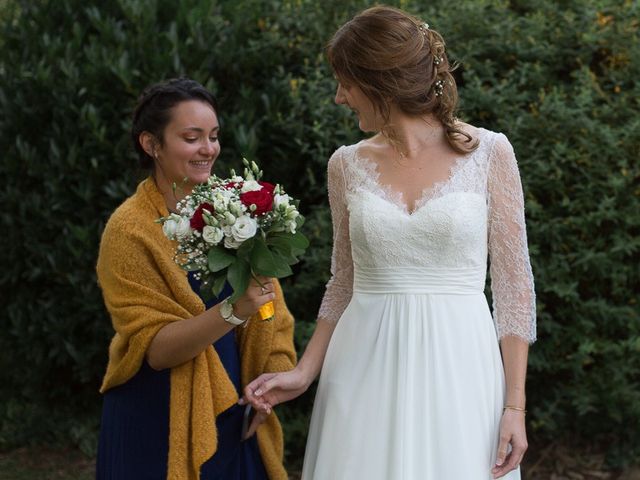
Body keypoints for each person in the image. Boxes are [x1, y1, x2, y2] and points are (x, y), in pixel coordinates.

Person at [244, 6, 536, 480]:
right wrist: (304, 371)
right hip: (361, 368)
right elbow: (343, 281)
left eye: (346, 82)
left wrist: (515, 406)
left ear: (381, 82)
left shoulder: (490, 153)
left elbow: (513, 286)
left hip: (461, 368)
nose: (339, 97)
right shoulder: (345, 164)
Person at [95, 78, 296, 480]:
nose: (209, 149)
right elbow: (156, 350)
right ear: (151, 144)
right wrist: (234, 311)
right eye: (192, 137)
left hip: (235, 416)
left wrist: (267, 385)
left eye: (214, 136)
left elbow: (270, 312)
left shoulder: (232, 210)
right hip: (157, 419)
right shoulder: (129, 230)